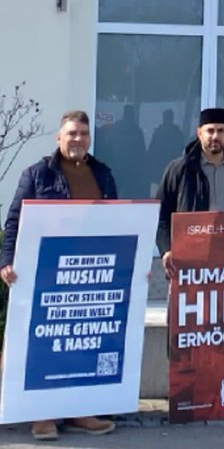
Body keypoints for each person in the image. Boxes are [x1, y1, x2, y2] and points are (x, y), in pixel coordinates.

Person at [1, 111, 118, 440]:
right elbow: (14, 221)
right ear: (59, 138)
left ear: (90, 139)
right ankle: (42, 415)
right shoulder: (37, 174)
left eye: (83, 133)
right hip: (46, 270)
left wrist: (131, 264)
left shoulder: (103, 174)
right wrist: (6, 261)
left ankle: (79, 411)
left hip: (89, 272)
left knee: (80, 342)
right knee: (44, 344)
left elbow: (117, 222)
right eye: (71, 133)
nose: (78, 139)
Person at [156, 107, 224, 275]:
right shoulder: (179, 170)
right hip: (190, 258)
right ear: (199, 133)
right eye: (210, 131)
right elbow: (160, 215)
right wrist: (166, 250)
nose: (215, 136)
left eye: (221, 131)